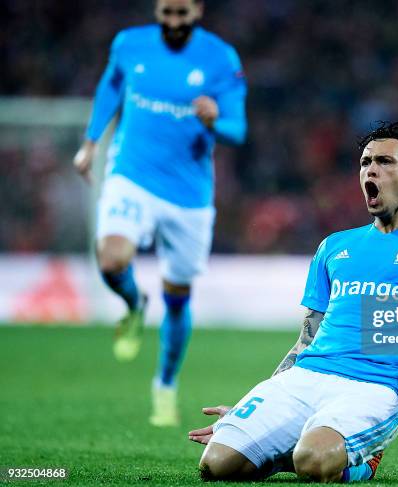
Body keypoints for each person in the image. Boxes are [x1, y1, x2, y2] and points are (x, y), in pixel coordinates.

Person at [188, 122, 398, 482]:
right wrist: (257, 408)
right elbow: (308, 337)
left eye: (385, 161)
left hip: (378, 386)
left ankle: (361, 463)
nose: (371, 169)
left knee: (314, 463)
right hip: (308, 376)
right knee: (217, 464)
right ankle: (292, 447)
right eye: (365, 162)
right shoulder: (334, 246)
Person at [73, 0, 247, 427]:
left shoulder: (220, 58)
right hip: (131, 174)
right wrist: (92, 140)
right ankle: (133, 304)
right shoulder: (129, 44)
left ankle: (165, 385)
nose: (172, 22)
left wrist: (214, 121)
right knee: (112, 258)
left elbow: (237, 129)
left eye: (181, 14)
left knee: (177, 298)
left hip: (189, 196)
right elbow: (111, 85)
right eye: (165, 12)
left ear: (198, 10)